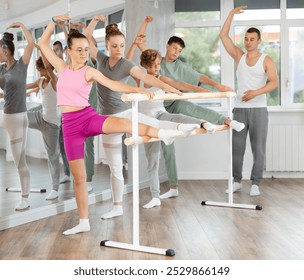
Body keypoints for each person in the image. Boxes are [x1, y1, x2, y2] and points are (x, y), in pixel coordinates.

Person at [38, 15, 184, 235]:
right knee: (79, 179)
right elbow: (42, 43)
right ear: (68, 51)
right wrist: (52, 21)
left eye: (86, 49)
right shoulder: (61, 67)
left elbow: (114, 84)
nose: (84, 53)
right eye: (79, 49)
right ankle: (84, 222)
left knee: (125, 124)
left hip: (88, 117)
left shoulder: (91, 71)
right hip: (69, 126)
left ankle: (163, 133)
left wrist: (139, 90)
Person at [84, 15, 197, 219]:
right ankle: (117, 207)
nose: (119, 49)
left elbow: (146, 77)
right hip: (106, 120)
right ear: (107, 45)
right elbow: (87, 36)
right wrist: (94, 20)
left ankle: (177, 130)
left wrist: (170, 88)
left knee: (152, 123)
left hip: (125, 113)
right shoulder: (100, 59)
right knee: (115, 167)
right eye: (115, 46)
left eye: (122, 45)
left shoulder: (127, 64)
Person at [132, 16, 245, 200]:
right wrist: (144, 22)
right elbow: (139, 42)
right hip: (156, 110)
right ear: (167, 46)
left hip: (171, 104)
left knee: (191, 107)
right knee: (167, 147)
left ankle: (226, 120)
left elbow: (189, 81)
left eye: (179, 50)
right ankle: (173, 186)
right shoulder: (154, 60)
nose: (176, 52)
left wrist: (216, 87)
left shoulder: (178, 66)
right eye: (174, 48)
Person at [220, 6, 278, 196]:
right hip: (239, 109)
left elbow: (274, 82)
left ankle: (255, 184)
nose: (248, 42)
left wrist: (256, 93)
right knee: (237, 148)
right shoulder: (239, 56)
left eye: (252, 39)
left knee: (258, 149)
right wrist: (230, 14)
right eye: (246, 38)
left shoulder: (266, 59)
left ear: (259, 41)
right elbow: (223, 36)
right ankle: (236, 181)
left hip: (259, 109)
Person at [0, 22, 34, 210]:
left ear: (5, 51)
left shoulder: (21, 65)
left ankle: (25, 198)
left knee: (19, 161)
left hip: (18, 118)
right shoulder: (2, 69)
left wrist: (22, 25)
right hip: (5, 115)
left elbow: (30, 43)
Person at [26, 50, 61, 200]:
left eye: (39, 69)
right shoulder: (40, 81)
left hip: (52, 124)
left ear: (43, 68)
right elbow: (24, 87)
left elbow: (48, 69)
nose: (38, 72)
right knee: (19, 117)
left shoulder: (55, 80)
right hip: (40, 117)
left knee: (53, 156)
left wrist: (42, 49)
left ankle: (55, 188)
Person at [52, 40, 71, 184]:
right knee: (61, 144)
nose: (55, 52)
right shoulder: (54, 70)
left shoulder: (67, 68)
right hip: (57, 113)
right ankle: (67, 172)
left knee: (70, 144)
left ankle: (75, 172)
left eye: (57, 49)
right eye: (54, 50)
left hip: (69, 113)